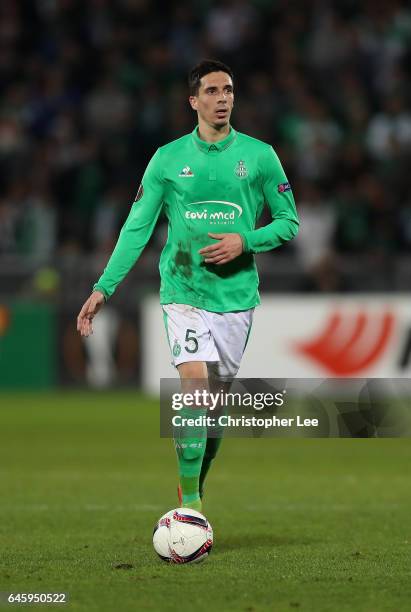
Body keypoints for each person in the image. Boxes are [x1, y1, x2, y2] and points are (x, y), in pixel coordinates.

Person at [77, 59, 299, 512]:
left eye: (229, 90)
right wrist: (104, 287)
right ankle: (191, 508)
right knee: (194, 394)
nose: (223, 99)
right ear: (193, 101)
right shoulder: (167, 159)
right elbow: (136, 227)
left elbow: (289, 223)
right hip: (184, 293)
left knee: (212, 419)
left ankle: (196, 481)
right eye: (213, 91)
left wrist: (246, 240)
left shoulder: (260, 156)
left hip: (236, 299)